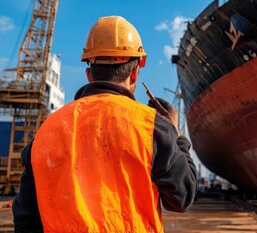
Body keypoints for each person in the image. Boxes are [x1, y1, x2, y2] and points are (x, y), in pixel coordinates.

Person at [12, 15, 198, 233]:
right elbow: (182, 196)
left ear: (89, 74)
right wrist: (176, 136)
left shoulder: (46, 131)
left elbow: (26, 219)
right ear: (136, 71)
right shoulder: (151, 126)